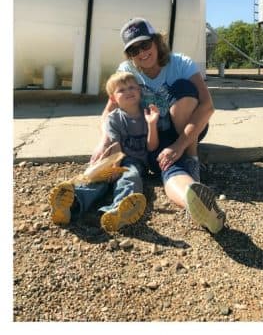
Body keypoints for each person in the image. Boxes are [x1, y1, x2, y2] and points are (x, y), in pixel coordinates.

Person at [90, 18, 226, 233]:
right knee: (168, 169)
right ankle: (196, 203)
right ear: (129, 55)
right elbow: (109, 111)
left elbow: (207, 106)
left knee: (182, 89)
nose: (142, 53)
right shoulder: (127, 71)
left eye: (145, 45)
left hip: (187, 128)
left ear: (156, 42)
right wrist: (106, 141)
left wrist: (180, 145)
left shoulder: (181, 63)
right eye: (134, 50)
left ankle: (192, 159)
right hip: (152, 135)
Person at [48, 72, 152, 234]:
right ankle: (71, 203)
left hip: (134, 162)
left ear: (139, 91)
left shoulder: (148, 115)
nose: (128, 91)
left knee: (130, 178)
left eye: (132, 87)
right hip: (114, 158)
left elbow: (152, 145)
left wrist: (152, 125)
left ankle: (119, 211)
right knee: (97, 179)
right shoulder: (113, 118)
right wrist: (114, 165)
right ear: (113, 99)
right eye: (121, 90)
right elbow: (115, 143)